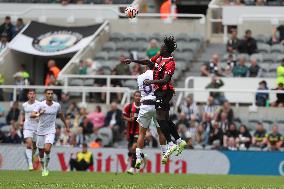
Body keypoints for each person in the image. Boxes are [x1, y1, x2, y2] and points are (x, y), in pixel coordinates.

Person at [122, 36, 186, 164]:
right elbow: (148, 61)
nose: (160, 48)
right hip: (158, 93)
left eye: (162, 46)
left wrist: (151, 81)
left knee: (160, 120)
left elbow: (166, 80)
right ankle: (178, 142)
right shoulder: (159, 57)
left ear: (167, 49)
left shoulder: (170, 62)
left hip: (165, 92)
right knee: (164, 120)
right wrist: (133, 60)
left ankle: (171, 144)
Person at [135, 66, 167, 170]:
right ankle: (164, 154)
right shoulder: (157, 75)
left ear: (145, 67)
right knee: (160, 131)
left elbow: (142, 91)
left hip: (144, 105)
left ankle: (138, 158)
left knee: (141, 133)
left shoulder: (140, 77)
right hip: (156, 105)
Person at [31, 89, 69, 176]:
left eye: (51, 93)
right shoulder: (40, 105)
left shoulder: (57, 105)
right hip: (40, 131)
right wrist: (39, 114)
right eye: (48, 93)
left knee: (47, 149)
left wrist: (66, 126)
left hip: (51, 130)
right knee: (41, 151)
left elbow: (61, 115)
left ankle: (46, 168)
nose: (50, 95)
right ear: (45, 95)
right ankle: (43, 167)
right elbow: (32, 115)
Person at [19, 89, 40, 171]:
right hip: (27, 127)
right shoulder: (24, 105)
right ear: (28, 95)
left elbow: (42, 113)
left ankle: (33, 157)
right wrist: (21, 121)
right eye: (30, 94)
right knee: (28, 144)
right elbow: (21, 113)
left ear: (35, 95)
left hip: (37, 127)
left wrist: (37, 116)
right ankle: (30, 165)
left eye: (33, 94)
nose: (32, 95)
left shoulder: (39, 104)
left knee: (35, 146)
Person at [123, 91, 142, 174]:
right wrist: (128, 119)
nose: (138, 97)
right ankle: (129, 156)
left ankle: (131, 167)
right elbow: (122, 116)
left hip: (139, 131)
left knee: (135, 147)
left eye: (139, 96)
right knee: (132, 150)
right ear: (134, 97)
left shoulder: (144, 107)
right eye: (136, 96)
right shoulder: (129, 106)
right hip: (130, 131)